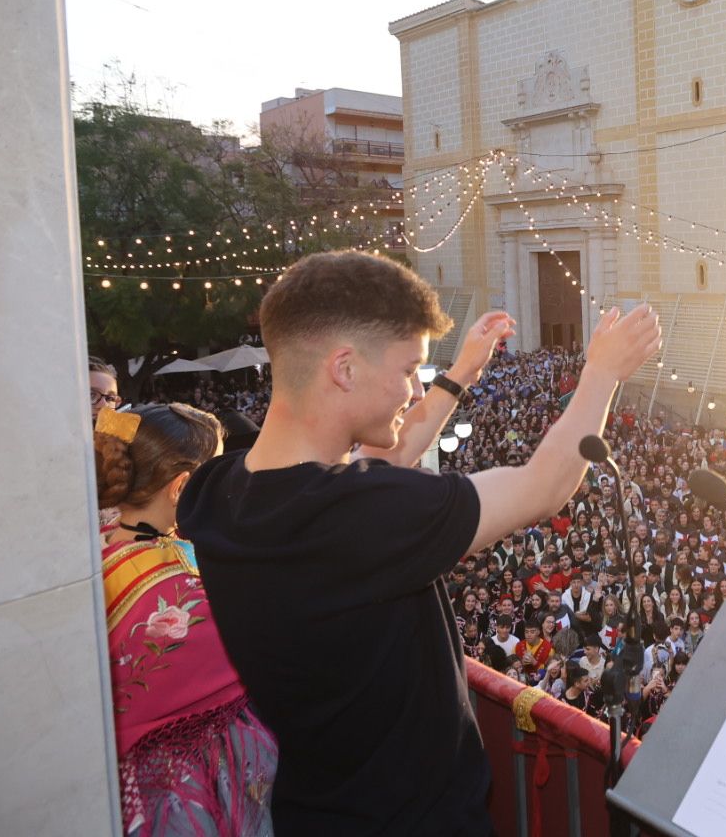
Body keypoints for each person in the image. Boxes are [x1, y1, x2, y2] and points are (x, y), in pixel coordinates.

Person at [178, 251, 660, 834]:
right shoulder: (356, 516)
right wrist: (603, 373)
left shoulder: (216, 491)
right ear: (345, 369)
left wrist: (458, 378)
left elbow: (384, 462)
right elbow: (543, 486)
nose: (413, 388)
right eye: (410, 369)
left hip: (314, 808)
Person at [95, 404, 276, 836]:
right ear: (181, 487)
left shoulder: (94, 550)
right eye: (216, 475)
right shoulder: (190, 585)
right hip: (192, 799)